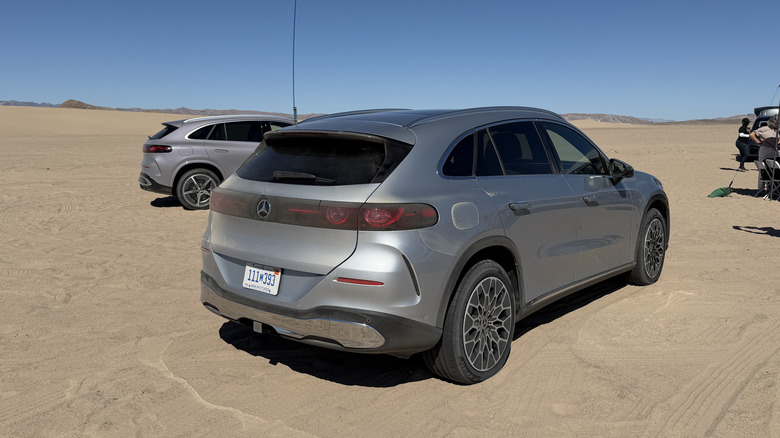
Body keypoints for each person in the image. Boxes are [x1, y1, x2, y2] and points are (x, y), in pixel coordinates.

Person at [749, 114, 780, 189]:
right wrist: (758, 142)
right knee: (763, 169)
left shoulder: (777, 130)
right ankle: (761, 188)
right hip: (765, 150)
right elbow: (752, 134)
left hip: (774, 150)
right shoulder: (764, 129)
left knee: (774, 168)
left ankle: (771, 188)